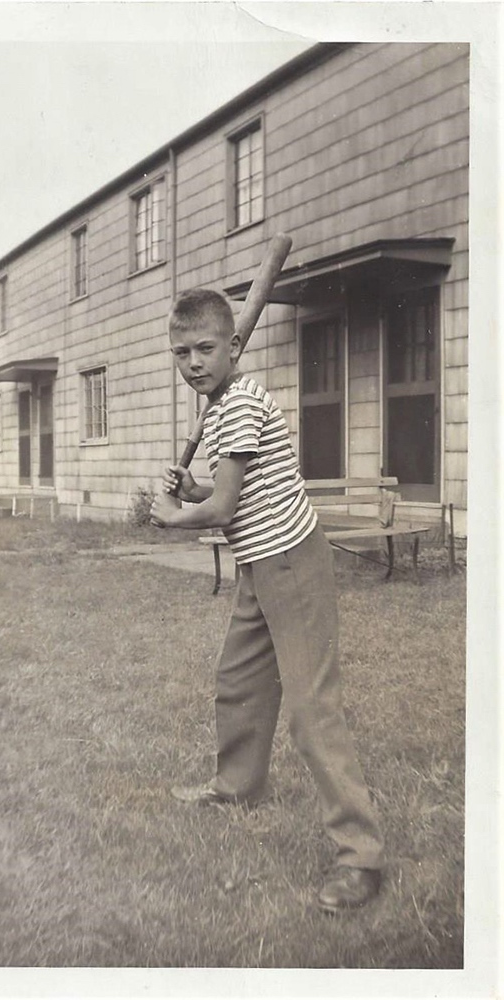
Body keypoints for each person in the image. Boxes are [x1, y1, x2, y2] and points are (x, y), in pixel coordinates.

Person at [149, 287, 384, 913]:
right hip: (258, 560)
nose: (193, 362)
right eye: (181, 353)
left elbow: (222, 508)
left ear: (233, 346)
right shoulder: (222, 406)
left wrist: (175, 514)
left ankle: (360, 857)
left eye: (205, 349)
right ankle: (238, 786)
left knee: (311, 709)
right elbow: (230, 489)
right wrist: (194, 486)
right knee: (239, 680)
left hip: (292, 561)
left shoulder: (242, 401)